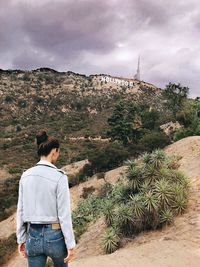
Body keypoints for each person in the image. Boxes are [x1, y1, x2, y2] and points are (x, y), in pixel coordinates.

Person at [16, 130, 76, 267]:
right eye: (58, 151)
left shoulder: (25, 176)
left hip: (33, 235)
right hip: (55, 235)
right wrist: (70, 244)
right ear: (54, 151)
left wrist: (21, 239)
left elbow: (20, 211)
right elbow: (64, 215)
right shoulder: (60, 177)